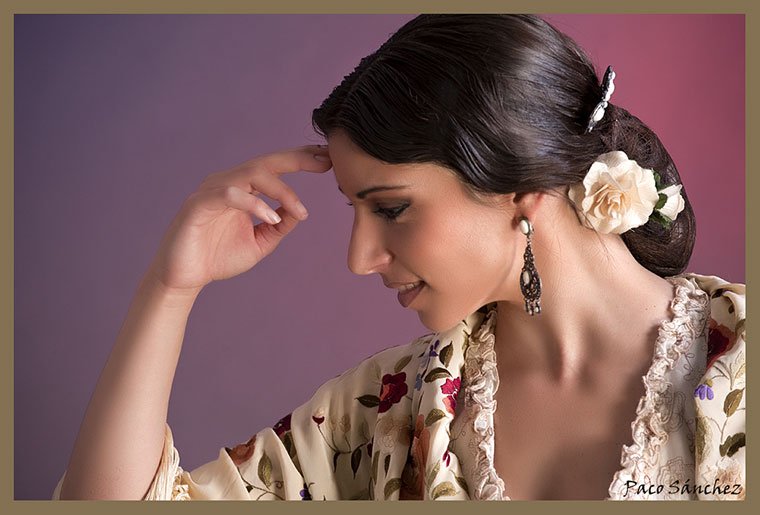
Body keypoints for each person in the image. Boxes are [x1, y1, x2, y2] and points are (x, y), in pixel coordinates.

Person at [53, 14, 745, 501]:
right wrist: (171, 288)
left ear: (522, 187)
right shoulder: (388, 411)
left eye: (390, 208)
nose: (359, 258)